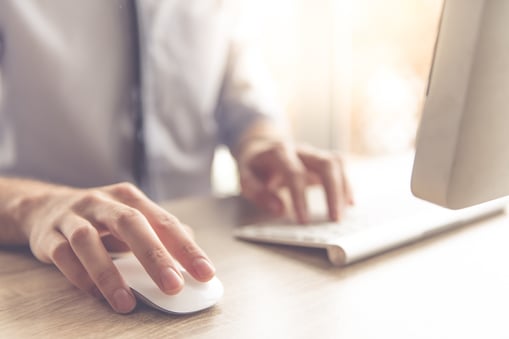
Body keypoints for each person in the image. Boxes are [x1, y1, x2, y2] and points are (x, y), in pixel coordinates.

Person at [0, 0, 353, 314]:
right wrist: (33, 206)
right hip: (38, 274)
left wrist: (260, 143)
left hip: (204, 247)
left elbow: (244, 98)